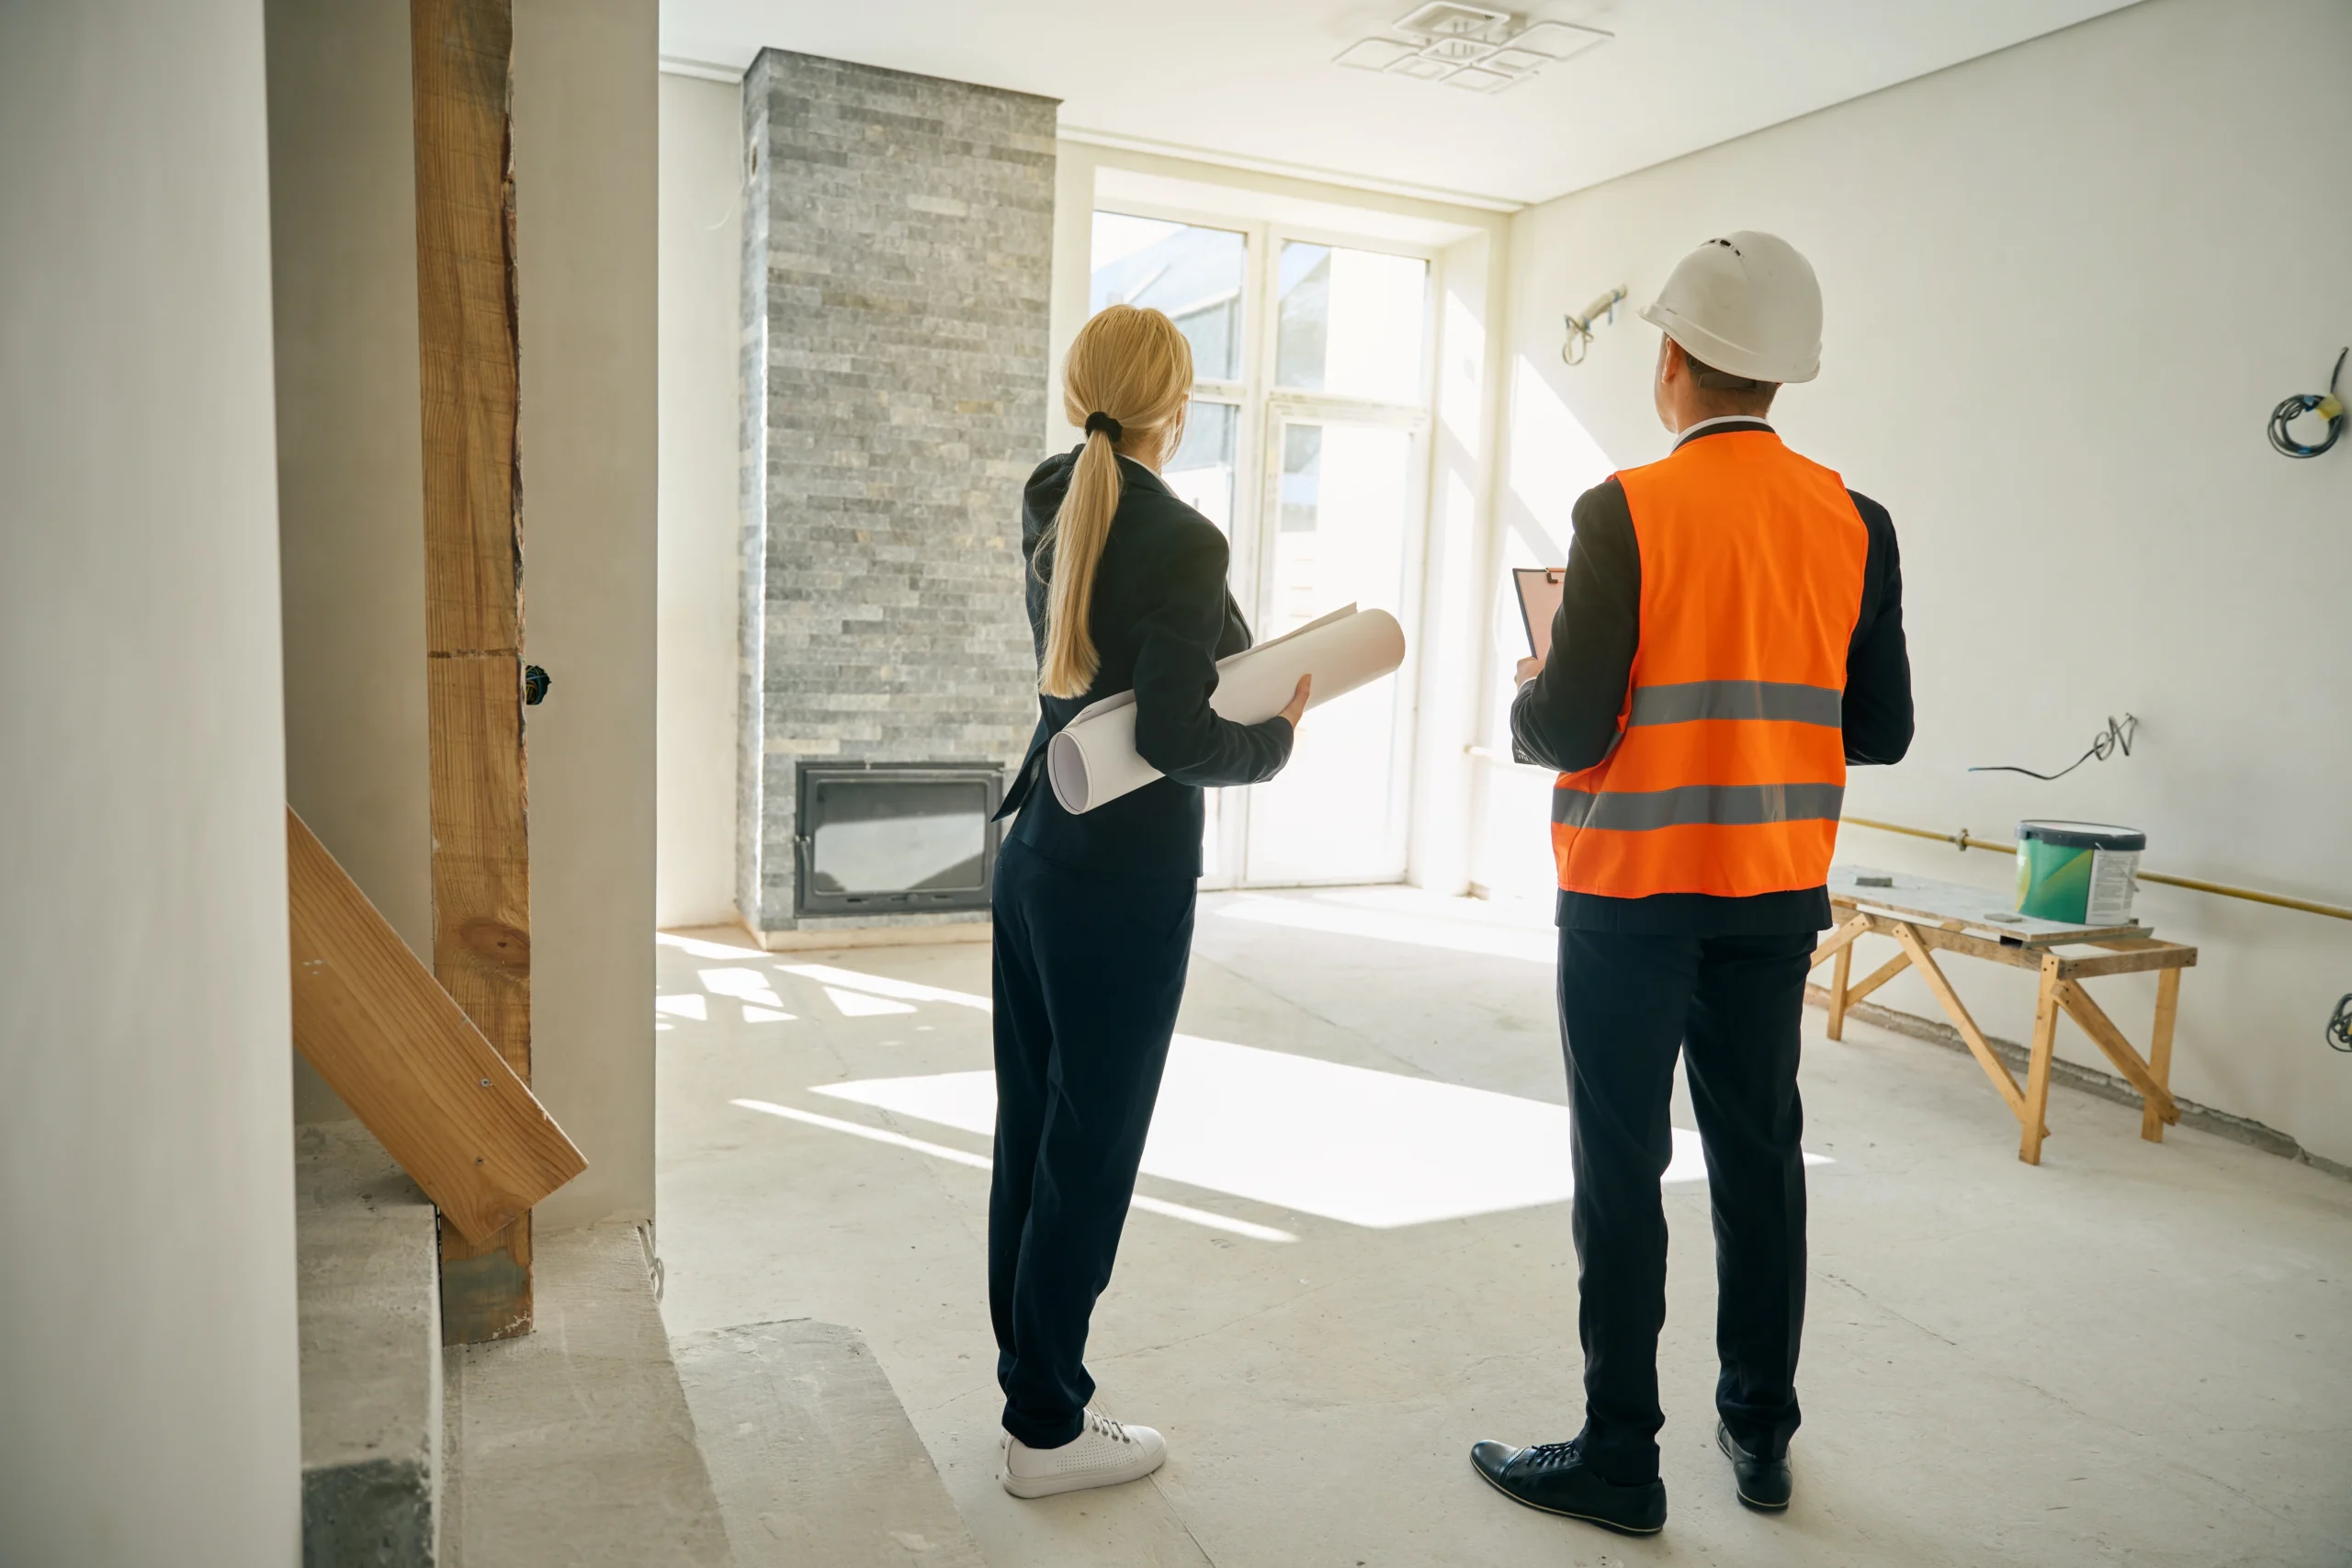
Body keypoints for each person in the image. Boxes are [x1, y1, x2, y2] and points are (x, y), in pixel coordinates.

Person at [1471, 232, 1913, 1536]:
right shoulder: (1855, 522)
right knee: (1758, 1156)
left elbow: (1572, 722)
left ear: (1671, 362)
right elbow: (1876, 727)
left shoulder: (1624, 512)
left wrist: (1525, 696)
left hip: (1630, 894)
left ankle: (1621, 1455)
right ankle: (1760, 1434)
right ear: (1783, 378)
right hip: (1773, 891)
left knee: (1624, 1166)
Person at [987, 303, 1311, 1499]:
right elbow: (1179, 731)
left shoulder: (1047, 492)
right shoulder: (1182, 536)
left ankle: (1033, 1386)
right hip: (1119, 883)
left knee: (1035, 1128)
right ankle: (1047, 1427)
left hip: (1033, 852)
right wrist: (1273, 739)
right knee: (1094, 1141)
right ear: (1179, 406)